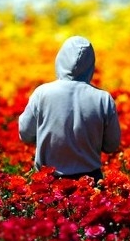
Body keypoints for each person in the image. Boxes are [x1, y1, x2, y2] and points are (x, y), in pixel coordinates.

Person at [18, 36, 121, 183]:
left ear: (60, 59)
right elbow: (111, 145)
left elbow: (25, 134)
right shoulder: (103, 99)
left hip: (48, 183)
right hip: (89, 182)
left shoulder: (42, 93)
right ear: (91, 64)